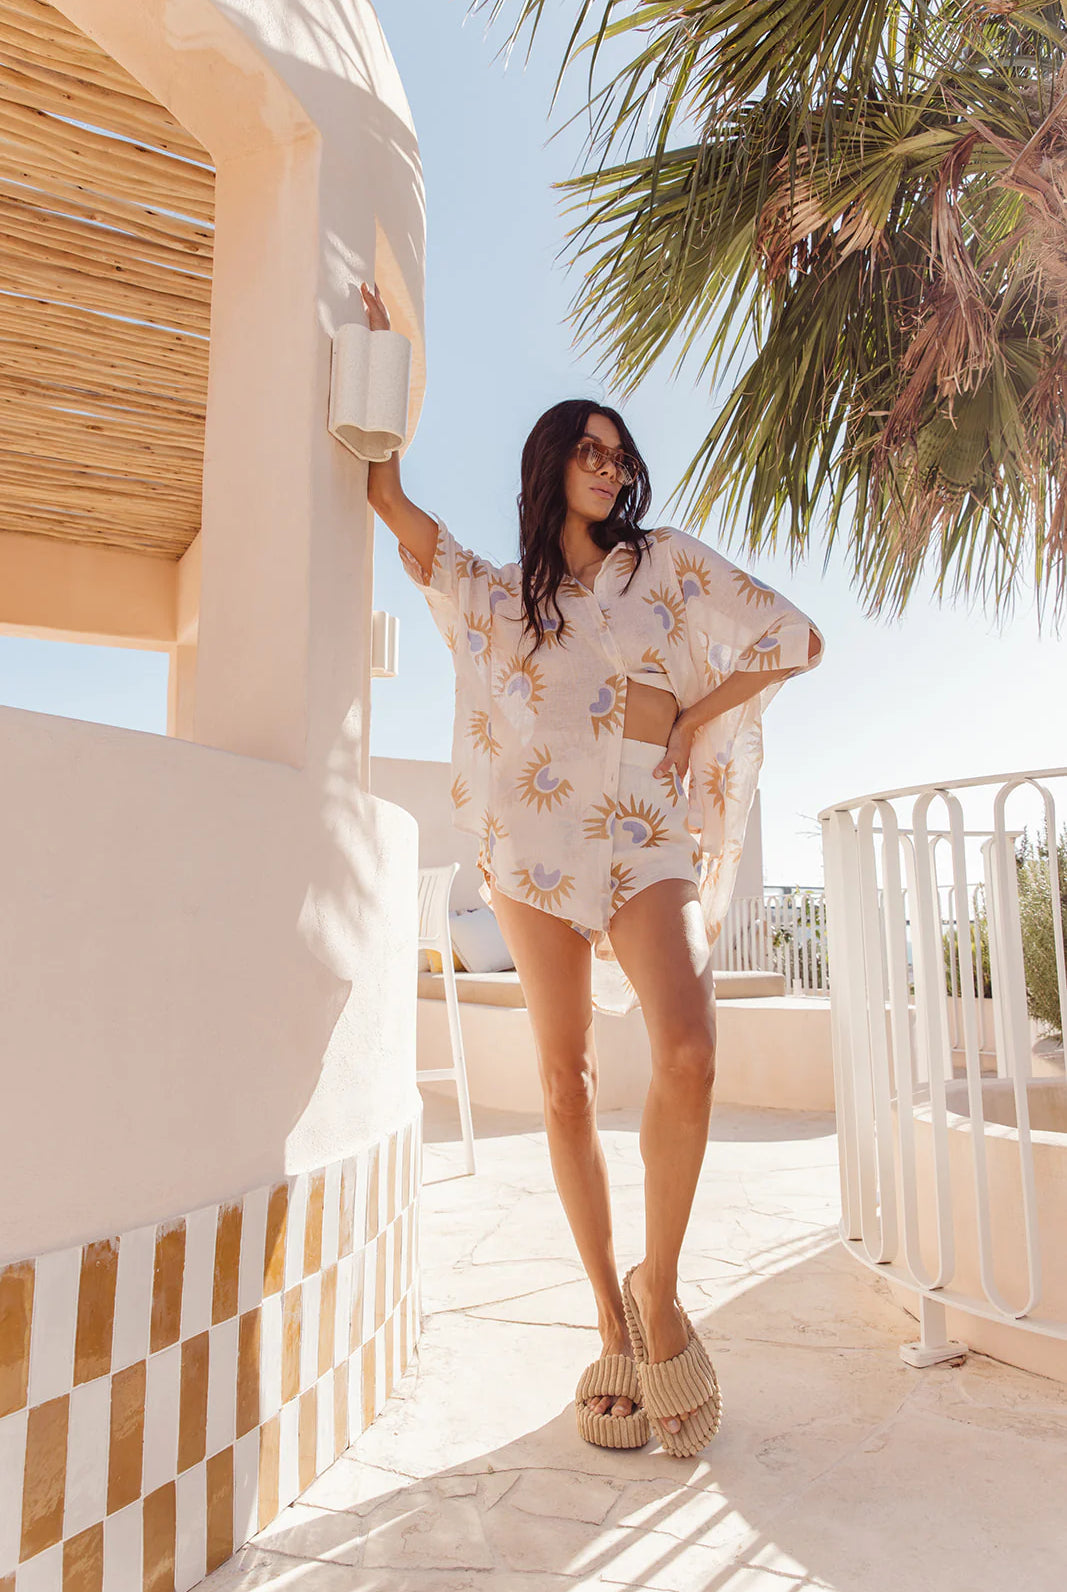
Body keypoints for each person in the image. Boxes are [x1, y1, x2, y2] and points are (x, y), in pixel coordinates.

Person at [360, 280, 824, 1457]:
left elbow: (792, 635)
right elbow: (393, 507)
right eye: (590, 450)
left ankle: (658, 1290)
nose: (611, 469)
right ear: (549, 463)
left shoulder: (659, 561)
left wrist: (688, 720)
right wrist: (377, 364)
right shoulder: (510, 597)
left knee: (686, 1047)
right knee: (562, 1081)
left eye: (620, 454)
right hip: (530, 843)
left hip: (641, 825)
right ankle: (605, 1314)